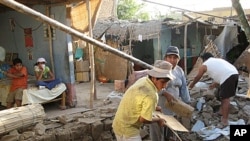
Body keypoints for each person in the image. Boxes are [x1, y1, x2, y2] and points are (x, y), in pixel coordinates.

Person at [112, 60, 175, 141]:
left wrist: (154, 107)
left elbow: (139, 102)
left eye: (167, 82)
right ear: (154, 78)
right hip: (129, 130)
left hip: (118, 123)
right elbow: (144, 119)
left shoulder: (144, 80)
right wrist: (159, 120)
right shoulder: (152, 94)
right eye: (162, 82)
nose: (164, 86)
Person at [150, 46, 191, 141]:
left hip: (173, 110)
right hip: (158, 109)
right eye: (170, 57)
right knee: (157, 136)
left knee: (171, 137)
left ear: (178, 59)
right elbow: (152, 87)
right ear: (165, 58)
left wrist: (187, 103)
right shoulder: (159, 70)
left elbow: (184, 88)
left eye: (175, 57)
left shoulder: (179, 71)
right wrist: (165, 93)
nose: (172, 60)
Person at [189, 52, 239, 127]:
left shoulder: (205, 64)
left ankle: (225, 120)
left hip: (228, 76)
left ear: (204, 59)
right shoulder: (217, 61)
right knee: (221, 94)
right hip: (235, 73)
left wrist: (191, 85)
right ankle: (221, 112)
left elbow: (198, 77)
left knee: (225, 98)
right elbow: (220, 73)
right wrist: (214, 84)